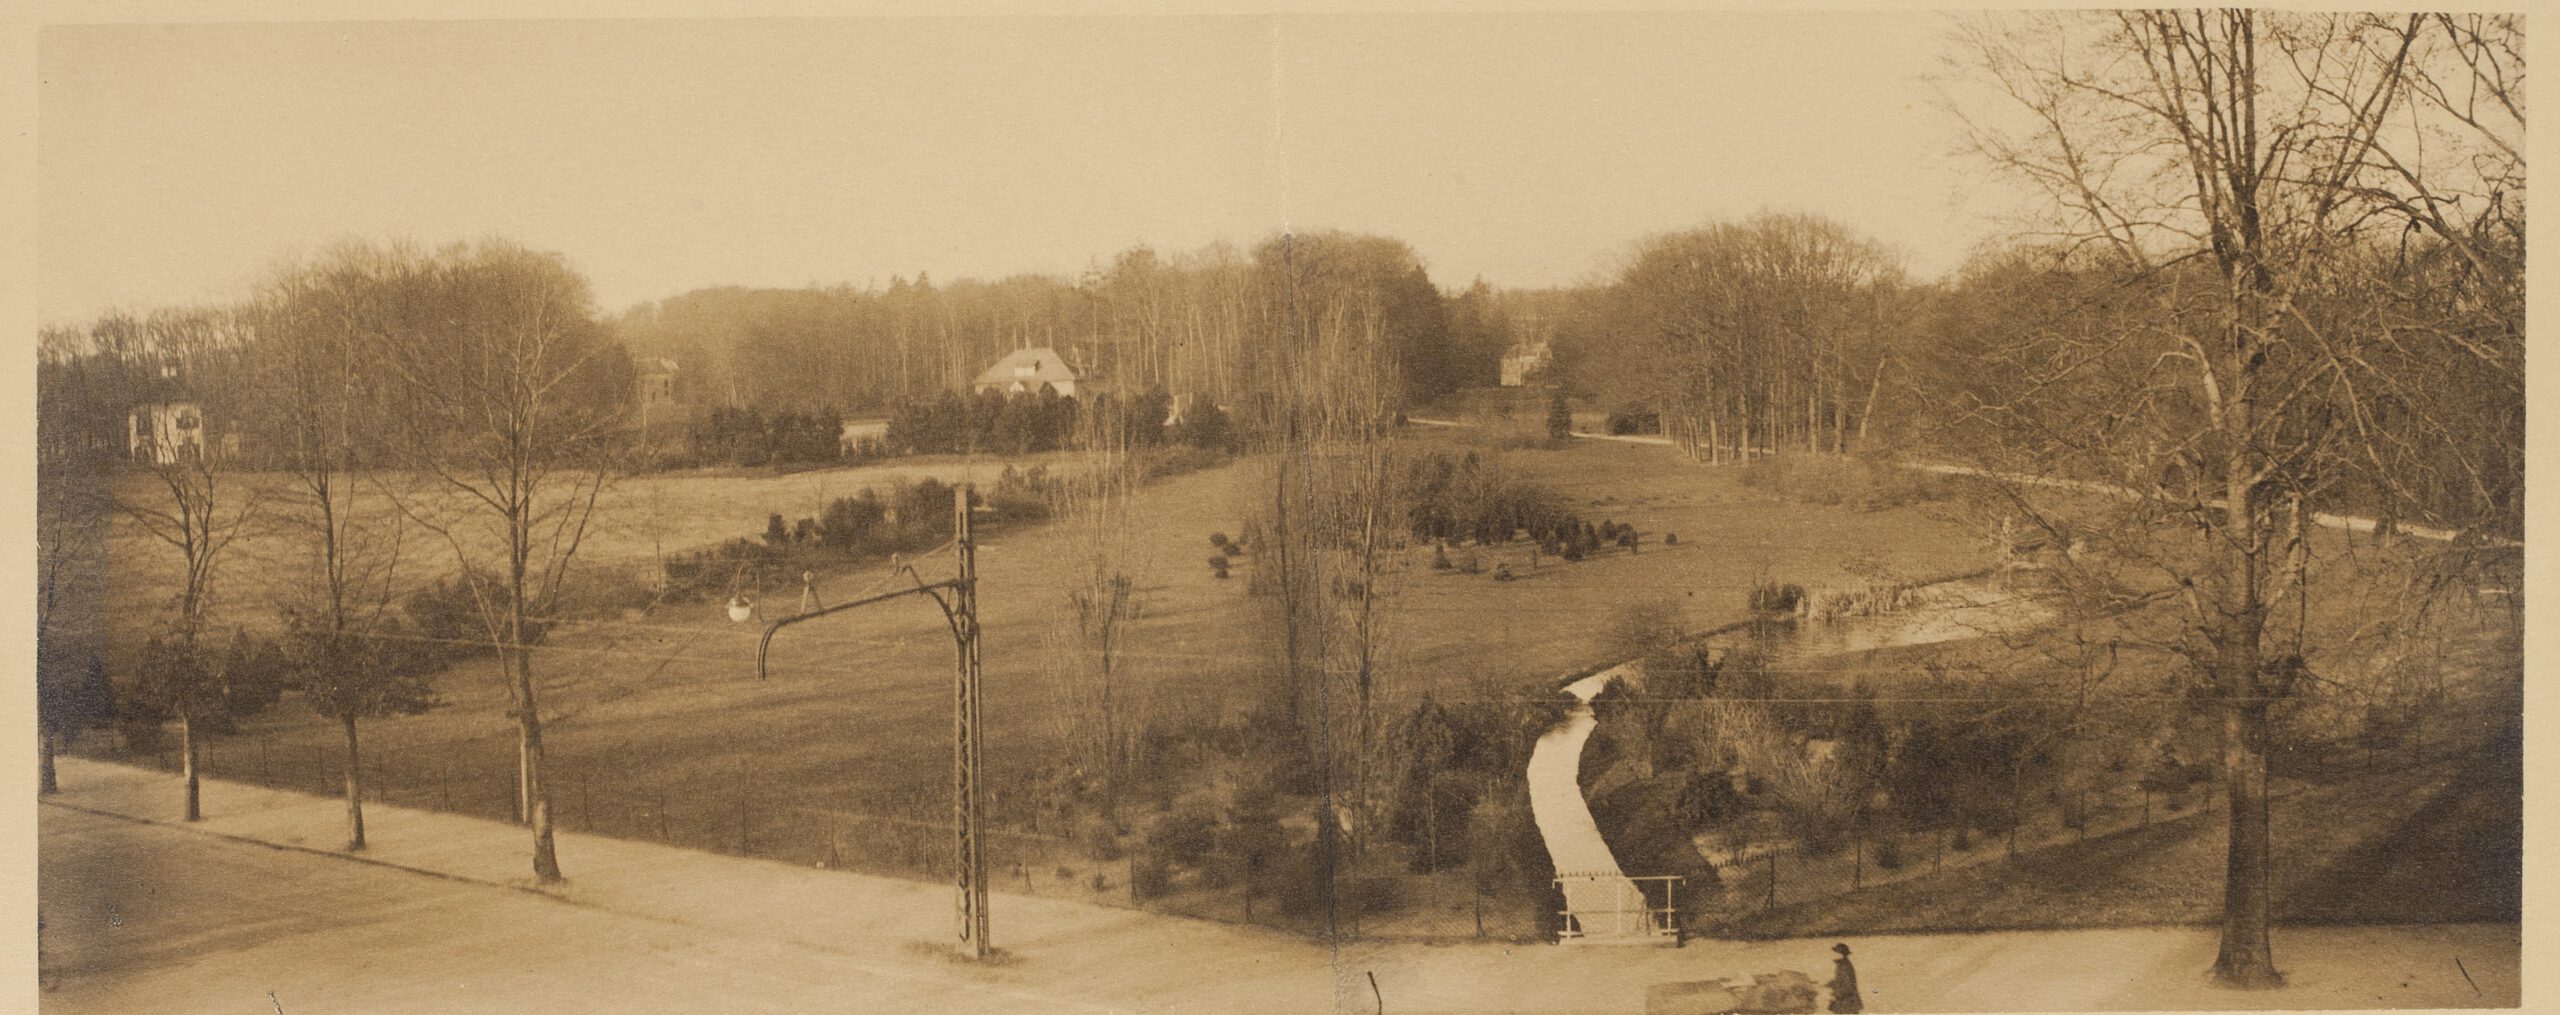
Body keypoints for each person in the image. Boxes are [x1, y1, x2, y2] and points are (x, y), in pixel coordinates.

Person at [1828, 942, 1864, 1014]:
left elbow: (1847, 983)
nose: (1833, 955)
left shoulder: (1844, 965)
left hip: (1846, 999)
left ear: (1841, 955)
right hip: (1844, 998)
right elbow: (1840, 979)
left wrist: (1838, 993)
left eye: (1836, 953)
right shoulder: (1842, 964)